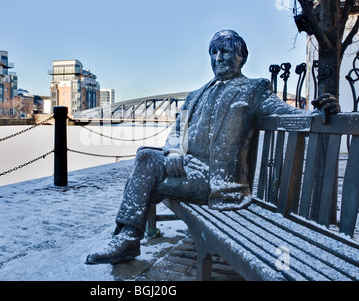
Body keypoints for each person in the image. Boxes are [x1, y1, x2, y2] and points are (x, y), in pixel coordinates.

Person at [85, 29, 340, 265]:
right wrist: (174, 151)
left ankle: (128, 238)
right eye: (214, 52)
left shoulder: (254, 89)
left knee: (142, 185)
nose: (218, 57)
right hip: (187, 168)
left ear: (241, 57)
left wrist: (318, 112)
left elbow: (288, 115)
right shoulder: (196, 94)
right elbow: (176, 131)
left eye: (226, 51)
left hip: (215, 181)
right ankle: (128, 238)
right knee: (144, 157)